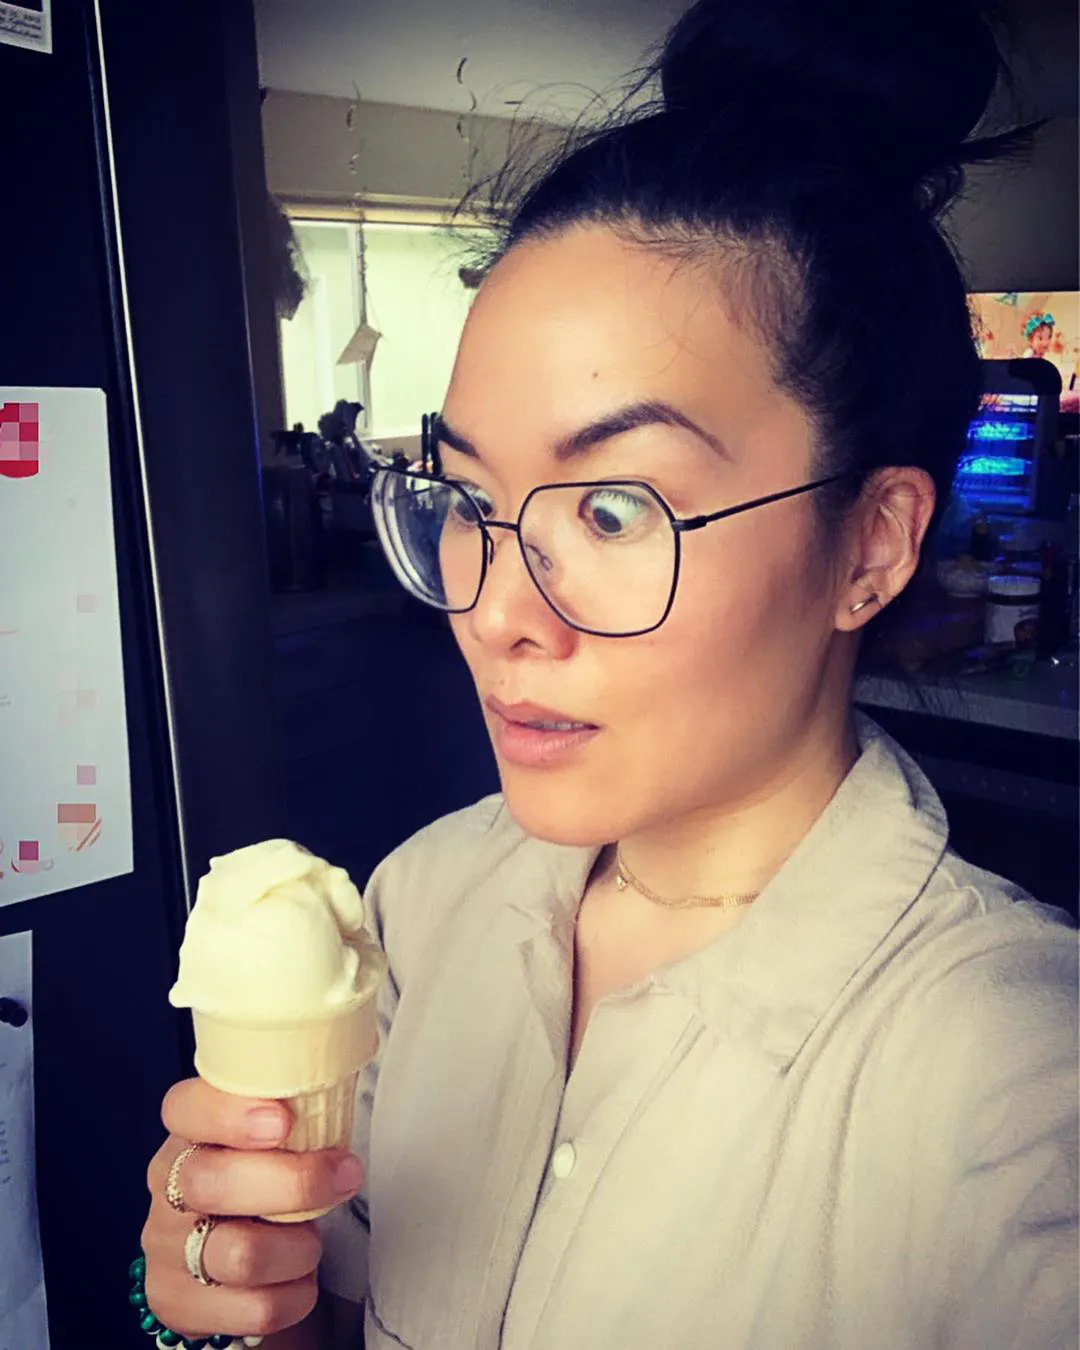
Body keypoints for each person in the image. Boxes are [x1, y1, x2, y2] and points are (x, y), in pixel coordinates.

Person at [139, 1, 1079, 1347]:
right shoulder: (418, 905)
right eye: (470, 499)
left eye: (616, 509)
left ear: (871, 545)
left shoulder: (1020, 1096)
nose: (495, 612)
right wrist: (233, 1298)